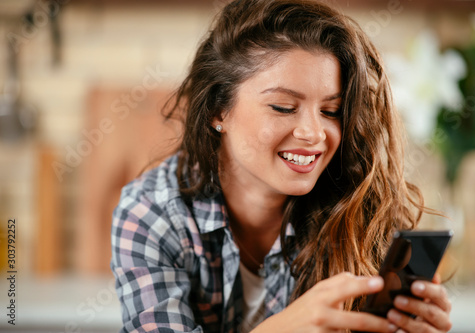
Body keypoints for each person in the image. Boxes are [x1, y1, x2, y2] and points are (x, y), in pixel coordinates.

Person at [110, 0, 453, 332]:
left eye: (331, 111)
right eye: (284, 107)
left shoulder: (361, 206)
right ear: (218, 110)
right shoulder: (151, 212)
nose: (314, 133)